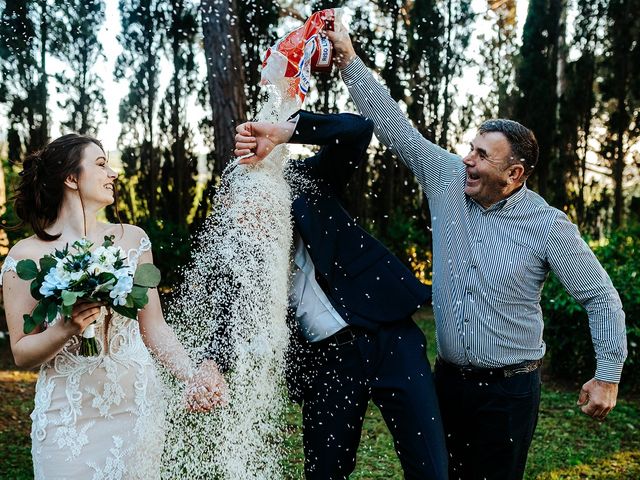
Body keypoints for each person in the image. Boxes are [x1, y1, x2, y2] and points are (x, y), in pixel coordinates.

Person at [322, 24, 628, 479]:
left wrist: (607, 375)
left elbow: (600, 297)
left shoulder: (548, 227)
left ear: (515, 173)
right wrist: (347, 58)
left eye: (483, 155)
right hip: (444, 383)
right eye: (471, 148)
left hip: (508, 394)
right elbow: (394, 126)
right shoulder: (447, 179)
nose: (468, 159)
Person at [234, 110, 448, 479]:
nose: (251, 217)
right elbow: (226, 307)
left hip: (390, 338)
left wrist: (286, 132)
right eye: (240, 209)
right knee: (324, 472)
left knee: (429, 465)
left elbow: (357, 130)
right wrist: (210, 364)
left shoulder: (308, 184)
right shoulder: (242, 256)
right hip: (327, 364)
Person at [0, 134, 226, 479]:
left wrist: (191, 376)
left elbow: (154, 328)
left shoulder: (132, 240)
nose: (114, 174)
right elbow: (22, 352)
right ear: (71, 178)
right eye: (101, 164)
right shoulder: (25, 258)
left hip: (136, 407)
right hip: (68, 415)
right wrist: (65, 329)